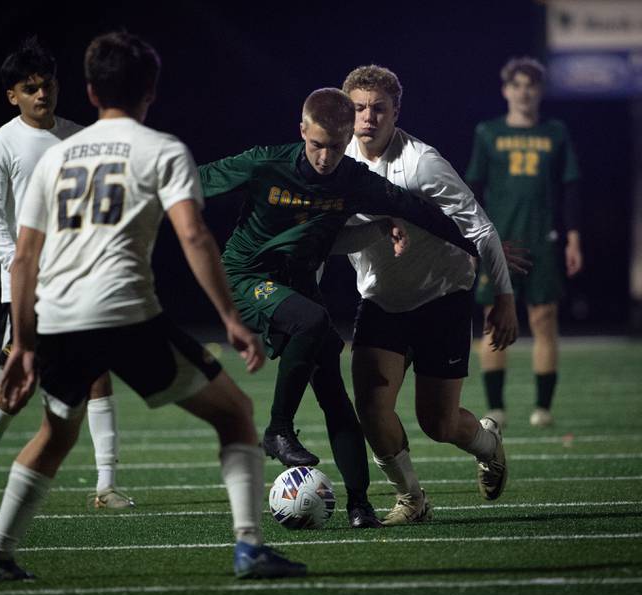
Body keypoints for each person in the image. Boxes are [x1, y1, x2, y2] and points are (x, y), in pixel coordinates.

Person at [0, 31, 306, 582]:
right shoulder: (162, 149)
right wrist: (229, 318)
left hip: (58, 317)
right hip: (126, 315)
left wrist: (25, 343)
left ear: (88, 90)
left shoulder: (57, 156)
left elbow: (24, 259)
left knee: (55, 433)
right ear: (150, 90)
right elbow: (195, 238)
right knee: (236, 414)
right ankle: (249, 547)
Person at [199, 87, 480, 528]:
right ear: (301, 131)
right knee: (314, 322)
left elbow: (422, 212)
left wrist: (481, 245)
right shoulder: (265, 161)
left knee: (334, 391)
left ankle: (359, 504)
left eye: (335, 146)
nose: (325, 157)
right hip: (247, 278)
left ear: (348, 137)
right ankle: (278, 430)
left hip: (297, 288)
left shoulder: (353, 178)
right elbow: (188, 184)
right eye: (316, 145)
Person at [326, 64, 515, 525]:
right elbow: (329, 237)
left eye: (378, 109)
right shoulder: (334, 161)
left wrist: (504, 298)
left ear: (396, 113)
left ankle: (488, 444)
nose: (368, 118)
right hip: (380, 300)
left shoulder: (422, 163)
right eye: (358, 108)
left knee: (439, 424)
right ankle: (412, 498)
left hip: (441, 296)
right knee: (371, 408)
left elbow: (480, 227)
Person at [0, 38, 133, 512]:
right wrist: (18, 264)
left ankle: (106, 485)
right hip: (28, 285)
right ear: (13, 96)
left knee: (98, 374)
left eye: (48, 85)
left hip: (79, 279)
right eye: (31, 88)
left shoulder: (82, 138)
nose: (42, 94)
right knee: (17, 387)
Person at [466, 57, 583, 429]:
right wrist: (473, 241)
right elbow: (473, 190)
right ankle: (496, 407)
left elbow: (570, 188)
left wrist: (573, 239)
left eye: (530, 85)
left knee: (544, 319)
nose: (523, 91)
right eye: (516, 85)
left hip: (543, 239)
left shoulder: (555, 132)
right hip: (499, 242)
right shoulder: (488, 132)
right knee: (493, 321)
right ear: (505, 90)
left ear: (540, 90)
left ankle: (543, 408)